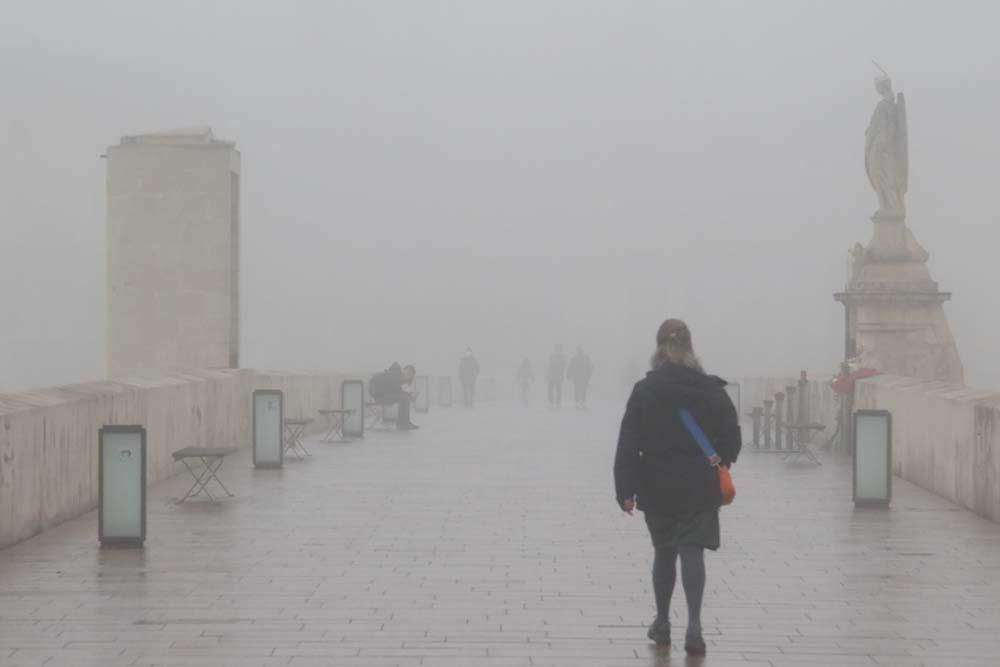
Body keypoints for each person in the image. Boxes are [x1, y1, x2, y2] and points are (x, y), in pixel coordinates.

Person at [613, 319, 740, 656]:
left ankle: (662, 620)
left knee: (664, 552)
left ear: (659, 350)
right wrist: (720, 459)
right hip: (699, 482)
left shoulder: (645, 390)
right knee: (692, 550)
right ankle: (695, 625)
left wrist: (624, 489)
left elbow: (628, 441)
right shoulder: (710, 389)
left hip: (657, 483)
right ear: (690, 348)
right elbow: (732, 437)